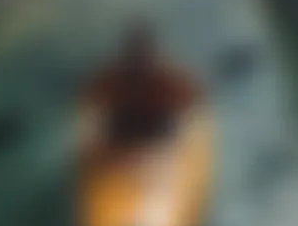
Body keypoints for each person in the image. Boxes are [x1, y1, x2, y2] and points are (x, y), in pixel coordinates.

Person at [78, 21, 204, 154]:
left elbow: (189, 99)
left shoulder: (166, 79)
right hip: (127, 138)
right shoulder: (113, 78)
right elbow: (92, 99)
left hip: (153, 138)